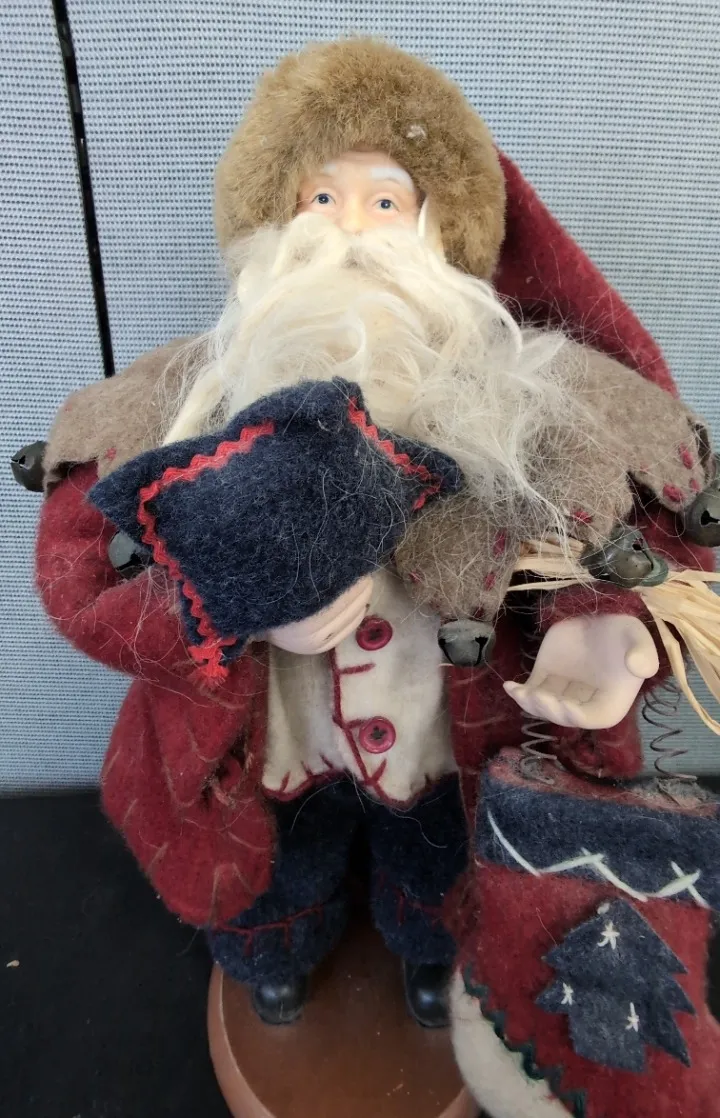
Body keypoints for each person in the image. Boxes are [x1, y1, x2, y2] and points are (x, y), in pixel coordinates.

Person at [32, 39, 716, 1051]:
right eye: (321, 198)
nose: (350, 227)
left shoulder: (533, 398)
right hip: (267, 737)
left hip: (445, 733)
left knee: (434, 865)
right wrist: (233, 605)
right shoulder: (178, 403)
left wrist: (600, 622)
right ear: (272, 225)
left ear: (441, 232)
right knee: (274, 873)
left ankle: (428, 960)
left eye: (385, 201)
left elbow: (623, 523)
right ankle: (276, 962)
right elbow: (80, 566)